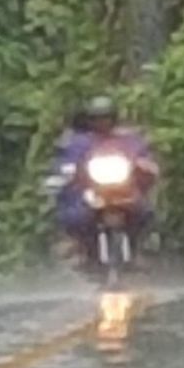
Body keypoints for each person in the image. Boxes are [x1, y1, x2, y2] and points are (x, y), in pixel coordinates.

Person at [47, 96, 160, 262]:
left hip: (123, 191)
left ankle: (140, 248)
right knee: (75, 215)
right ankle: (80, 248)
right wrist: (66, 171)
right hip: (91, 192)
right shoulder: (78, 142)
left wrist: (145, 164)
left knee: (144, 212)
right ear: (89, 120)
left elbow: (142, 155)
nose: (102, 122)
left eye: (106, 118)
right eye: (97, 119)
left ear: (114, 118)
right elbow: (66, 161)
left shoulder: (128, 139)